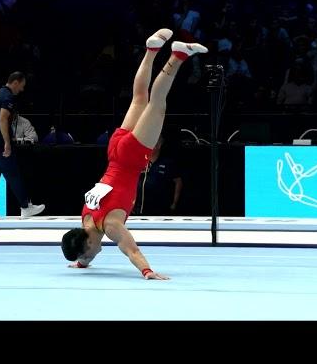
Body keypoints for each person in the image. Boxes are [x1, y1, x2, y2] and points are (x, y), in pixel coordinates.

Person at [61, 29, 207, 280]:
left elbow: (132, 250)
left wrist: (147, 271)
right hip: (114, 151)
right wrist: (81, 264)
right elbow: (88, 242)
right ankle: (151, 51)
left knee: (157, 103)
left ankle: (178, 56)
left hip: (130, 157)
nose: (91, 256)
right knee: (139, 99)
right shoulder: (85, 217)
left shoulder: (111, 226)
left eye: (86, 256)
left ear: (88, 245)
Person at [0, 71, 45, 218]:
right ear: (16, 82)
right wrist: (7, 142)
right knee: (13, 174)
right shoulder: (8, 96)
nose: (22, 89)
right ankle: (26, 207)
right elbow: (2, 119)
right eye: (22, 86)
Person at [133, 133, 183, 215]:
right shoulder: (140, 161)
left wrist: (174, 203)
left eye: (156, 141)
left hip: (160, 211)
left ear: (160, 145)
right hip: (140, 210)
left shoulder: (168, 163)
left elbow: (178, 182)